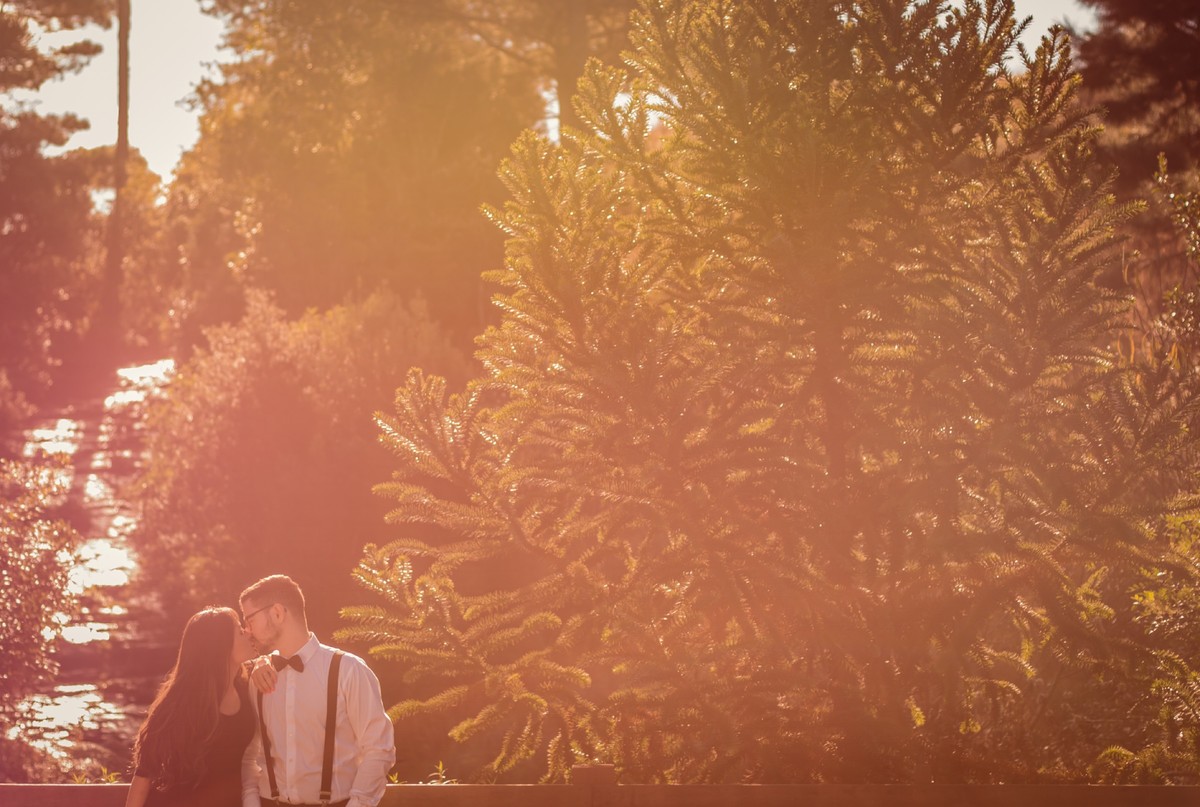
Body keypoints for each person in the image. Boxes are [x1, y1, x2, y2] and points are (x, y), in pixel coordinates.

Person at [239, 574, 395, 807]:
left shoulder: (348, 671)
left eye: (249, 619)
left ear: (278, 613)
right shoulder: (258, 676)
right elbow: (252, 754)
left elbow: (379, 749)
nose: (247, 630)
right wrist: (251, 802)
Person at [125, 606, 257, 807]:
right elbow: (144, 775)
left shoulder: (249, 687)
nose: (248, 632)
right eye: (240, 631)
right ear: (222, 646)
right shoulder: (179, 704)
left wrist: (264, 662)